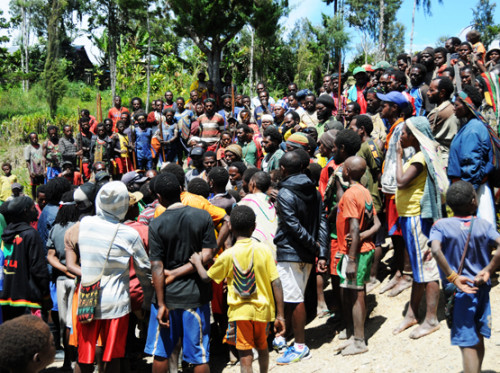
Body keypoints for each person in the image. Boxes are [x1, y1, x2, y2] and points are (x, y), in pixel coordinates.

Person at [189, 205, 285, 373]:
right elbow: (276, 282)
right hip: (263, 311)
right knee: (263, 348)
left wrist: (198, 262)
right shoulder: (264, 250)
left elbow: (206, 277)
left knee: (245, 354)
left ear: (230, 227)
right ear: (253, 228)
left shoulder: (228, 255)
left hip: (240, 313)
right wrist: (280, 315)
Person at [75, 181, 152, 373]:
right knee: (113, 356)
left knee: (84, 357)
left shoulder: (85, 224)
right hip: (116, 303)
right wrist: (147, 300)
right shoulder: (129, 234)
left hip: (87, 298)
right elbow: (144, 270)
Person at [146, 172, 217, 373]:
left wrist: (160, 303)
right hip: (195, 296)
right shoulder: (202, 216)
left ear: (158, 197)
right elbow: (208, 255)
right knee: (199, 355)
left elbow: (157, 267)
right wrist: (180, 272)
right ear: (180, 190)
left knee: (162, 352)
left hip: (166, 297)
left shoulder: (156, 223)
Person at [429, 181, 500, 373]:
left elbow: (435, 249)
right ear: (473, 201)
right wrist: (489, 269)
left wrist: (453, 276)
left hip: (460, 292)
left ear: (450, 205)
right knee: (478, 336)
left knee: (467, 342)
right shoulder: (484, 225)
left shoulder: (440, 225)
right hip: (481, 289)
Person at [392, 117, 447, 339]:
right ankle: (413, 314)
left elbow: (401, 181)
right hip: (409, 217)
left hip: (418, 217)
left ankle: (431, 319)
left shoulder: (419, 158)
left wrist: (396, 156)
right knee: (418, 268)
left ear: (415, 135)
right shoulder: (417, 155)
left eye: (404, 132)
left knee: (428, 267)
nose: (401, 136)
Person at [272, 151, 328, 364]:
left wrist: (314, 247)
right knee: (294, 297)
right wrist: (320, 250)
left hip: (292, 251)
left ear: (283, 169)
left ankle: (300, 346)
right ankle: (287, 338)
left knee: (295, 299)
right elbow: (322, 221)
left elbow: (292, 226)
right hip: (305, 252)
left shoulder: (285, 193)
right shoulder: (314, 191)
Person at [335, 156, 380, 355]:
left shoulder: (351, 194)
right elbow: (377, 225)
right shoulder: (365, 191)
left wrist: (351, 259)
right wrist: (363, 235)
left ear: (346, 172)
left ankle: (360, 341)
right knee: (355, 292)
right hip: (363, 248)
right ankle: (355, 336)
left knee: (356, 294)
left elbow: (353, 227)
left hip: (356, 253)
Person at [448, 85, 495, 227]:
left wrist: (467, 195)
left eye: (456, 105)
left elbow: (471, 164)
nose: (454, 108)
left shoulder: (473, 130)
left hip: (473, 191)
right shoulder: (471, 126)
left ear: (467, 106)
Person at [0, 197, 50, 321]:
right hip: (28, 301)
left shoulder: (6, 235)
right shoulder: (31, 234)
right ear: (25, 212)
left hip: (7, 299)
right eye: (33, 209)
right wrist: (46, 296)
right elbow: (38, 269)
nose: (36, 211)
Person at [46, 191, 78, 370]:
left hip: (60, 280)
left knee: (64, 322)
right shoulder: (79, 227)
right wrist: (73, 270)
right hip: (76, 279)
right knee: (75, 322)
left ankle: (67, 360)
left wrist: (64, 269)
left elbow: (50, 256)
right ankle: (77, 359)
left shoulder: (56, 228)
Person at [238, 171, 278, 258]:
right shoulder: (270, 202)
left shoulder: (249, 198)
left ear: (253, 183)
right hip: (274, 249)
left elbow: (236, 213)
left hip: (257, 247)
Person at [426, 77, 460, 164]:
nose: (428, 93)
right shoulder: (452, 106)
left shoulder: (438, 113)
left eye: (431, 90)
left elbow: (425, 136)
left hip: (440, 158)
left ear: (442, 93)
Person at [24, 132, 45, 199]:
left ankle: (42, 199)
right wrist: (30, 172)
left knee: (43, 185)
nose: (35, 139)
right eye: (33, 138)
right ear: (30, 139)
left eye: (36, 138)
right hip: (33, 169)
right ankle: (34, 200)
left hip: (41, 169)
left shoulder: (41, 146)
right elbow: (27, 161)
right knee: (34, 186)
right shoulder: (28, 148)